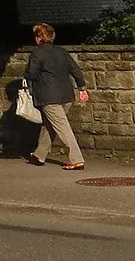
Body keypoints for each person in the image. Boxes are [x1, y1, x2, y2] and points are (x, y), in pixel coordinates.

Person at [23, 23, 89, 170]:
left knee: (62, 127)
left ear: (40, 38)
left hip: (48, 97)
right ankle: (39, 155)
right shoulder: (62, 52)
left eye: (36, 35)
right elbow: (76, 70)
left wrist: (27, 77)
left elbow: (31, 75)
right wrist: (82, 88)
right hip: (66, 95)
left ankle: (77, 159)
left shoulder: (37, 53)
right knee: (50, 126)